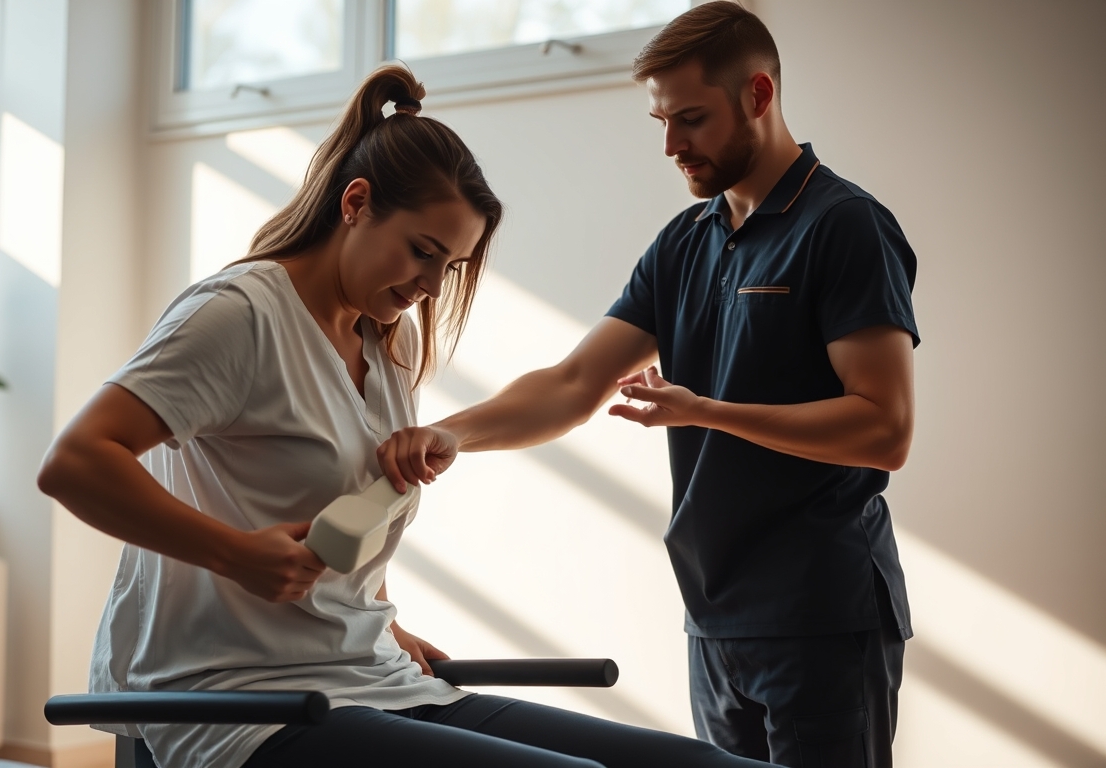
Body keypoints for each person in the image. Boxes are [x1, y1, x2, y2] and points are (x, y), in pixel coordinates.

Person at [37, 64, 772, 768]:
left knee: (698, 763)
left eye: (447, 267)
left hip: (373, 678)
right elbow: (75, 462)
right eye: (421, 253)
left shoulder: (382, 345)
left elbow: (355, 517)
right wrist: (233, 552)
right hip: (241, 702)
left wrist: (379, 620)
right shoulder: (239, 315)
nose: (427, 285)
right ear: (354, 203)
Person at [377, 5, 919, 768]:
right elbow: (573, 382)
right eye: (662, 120)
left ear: (758, 95)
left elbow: (884, 428)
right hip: (712, 616)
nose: (671, 145)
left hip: (821, 613)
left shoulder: (845, 226)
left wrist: (706, 412)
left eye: (691, 119)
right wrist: (453, 434)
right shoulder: (684, 242)